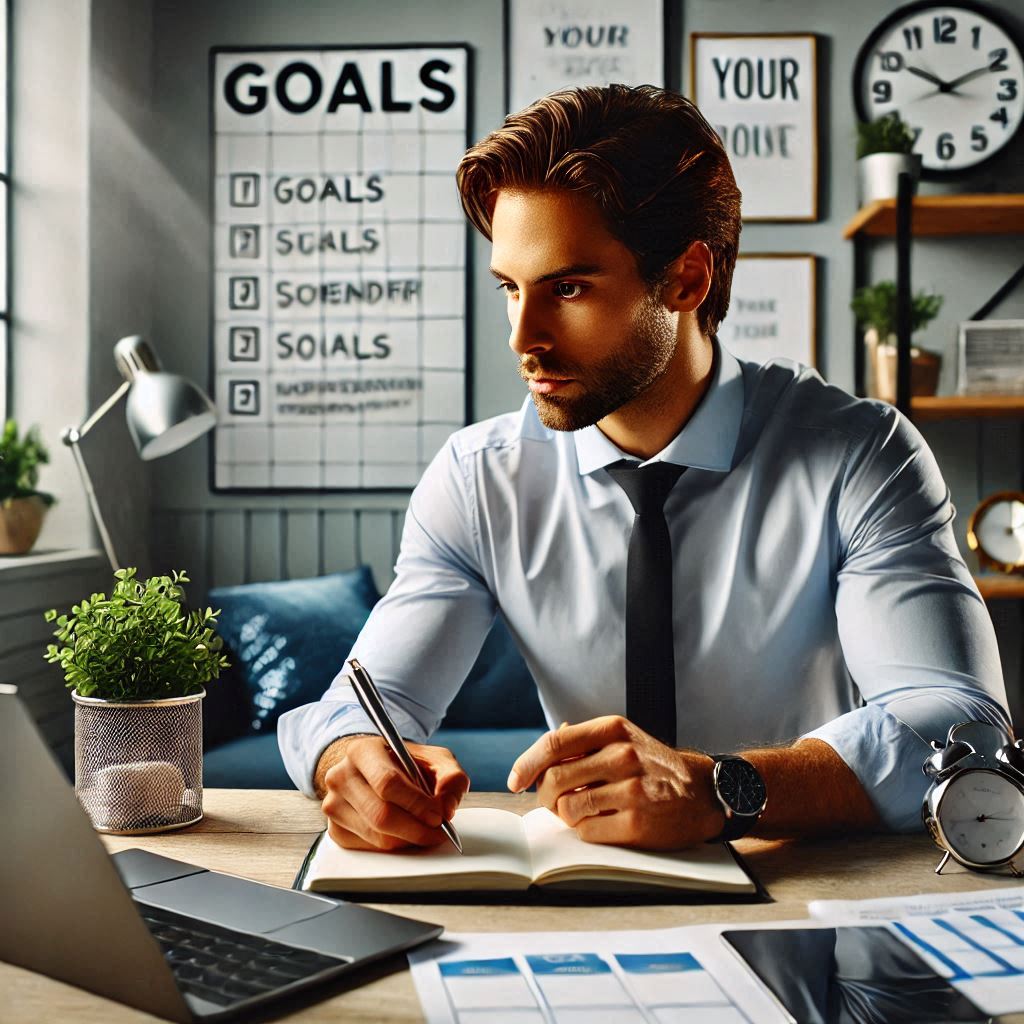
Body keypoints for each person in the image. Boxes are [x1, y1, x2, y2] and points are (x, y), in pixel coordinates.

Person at [278, 84, 1010, 853]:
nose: (524, 337)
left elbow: (958, 724)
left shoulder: (860, 455)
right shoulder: (478, 480)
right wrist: (350, 758)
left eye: (567, 288)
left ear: (687, 279)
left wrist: (720, 789)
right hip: (586, 896)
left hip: (811, 889)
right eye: (510, 290)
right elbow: (363, 704)